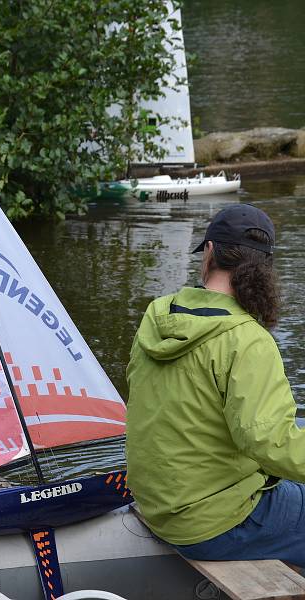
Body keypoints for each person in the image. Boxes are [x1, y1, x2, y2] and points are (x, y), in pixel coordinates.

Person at [125, 203, 305, 565]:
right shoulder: (247, 339)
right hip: (214, 523)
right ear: (264, 268)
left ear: (209, 253)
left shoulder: (156, 317)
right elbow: (269, 441)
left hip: (160, 504)